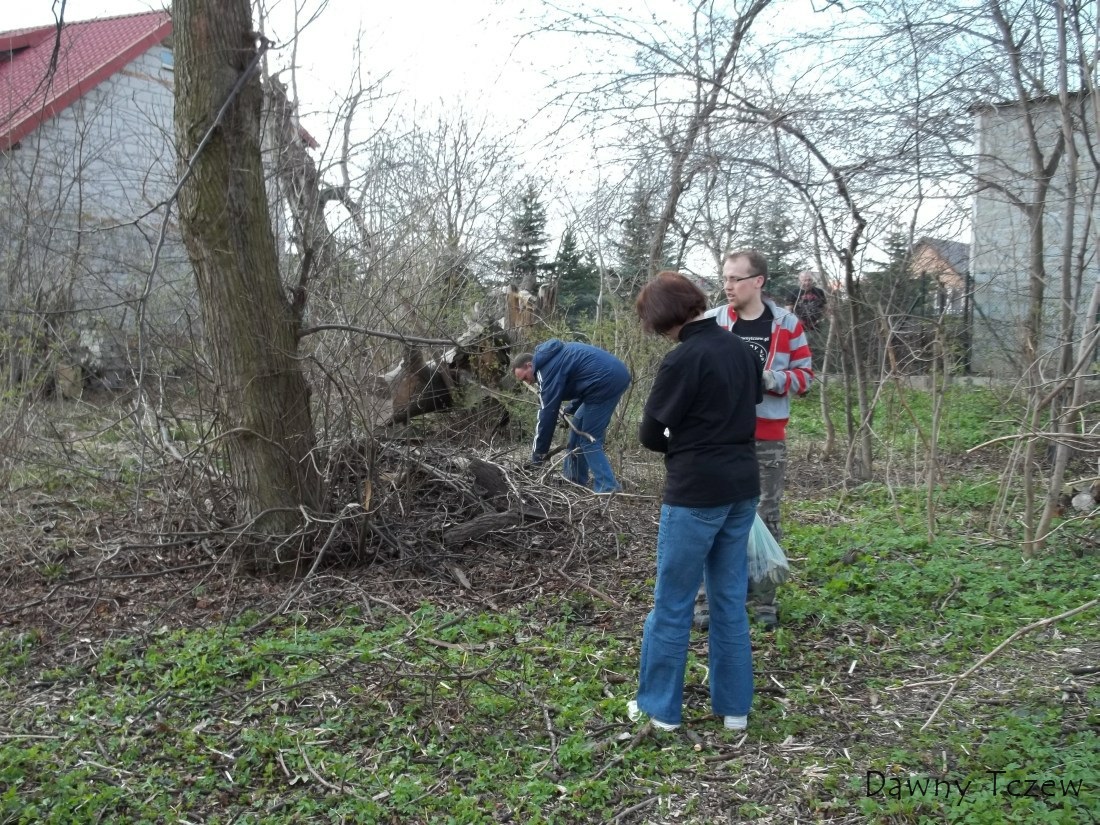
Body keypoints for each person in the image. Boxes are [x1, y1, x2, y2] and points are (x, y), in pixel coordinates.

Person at [628, 271, 761, 732]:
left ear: (663, 319)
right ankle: (735, 711)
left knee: (673, 603)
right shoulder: (741, 351)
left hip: (696, 494)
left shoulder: (683, 359)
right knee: (728, 600)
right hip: (743, 489)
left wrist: (682, 449)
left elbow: (649, 433)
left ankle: (660, 711)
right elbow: (749, 408)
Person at [696, 249, 814, 630]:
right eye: (725, 278)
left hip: (766, 439)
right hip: (718, 439)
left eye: (735, 279)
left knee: (766, 517)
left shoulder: (787, 325)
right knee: (710, 515)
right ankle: (706, 601)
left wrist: (771, 379)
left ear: (758, 281)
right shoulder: (713, 322)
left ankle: (764, 600)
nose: (727, 286)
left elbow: (805, 378)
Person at [511, 341, 631, 493]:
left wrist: (538, 455)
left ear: (529, 365)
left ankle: (608, 488)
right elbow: (582, 380)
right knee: (577, 427)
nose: (527, 382)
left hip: (605, 383)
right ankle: (574, 480)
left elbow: (547, 414)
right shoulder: (551, 360)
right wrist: (570, 408)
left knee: (589, 439)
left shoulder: (545, 371)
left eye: (525, 377)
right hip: (608, 378)